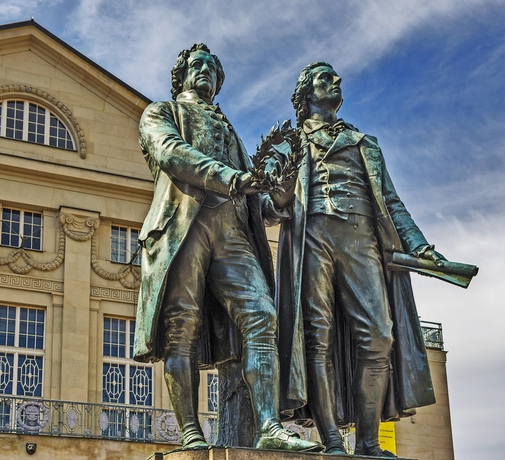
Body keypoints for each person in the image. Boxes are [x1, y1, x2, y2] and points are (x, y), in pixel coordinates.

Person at [132, 43, 322, 452]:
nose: (204, 71)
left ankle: (268, 426)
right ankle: (190, 431)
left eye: (211, 69)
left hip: (232, 229)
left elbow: (256, 201)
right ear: (181, 75)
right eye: (196, 65)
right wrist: (234, 178)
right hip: (182, 226)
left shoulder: (230, 130)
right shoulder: (161, 112)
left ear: (218, 83)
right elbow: (173, 153)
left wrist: (281, 197)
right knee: (180, 329)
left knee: (261, 316)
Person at [273, 62, 445, 457]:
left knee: (379, 336)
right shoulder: (291, 141)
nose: (335, 81)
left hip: (362, 239)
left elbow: (391, 201)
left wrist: (418, 245)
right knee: (317, 338)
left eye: (335, 77)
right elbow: (269, 203)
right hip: (312, 236)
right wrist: (277, 195)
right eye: (324, 77)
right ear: (305, 93)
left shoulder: (364, 142)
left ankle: (368, 440)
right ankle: (331, 439)